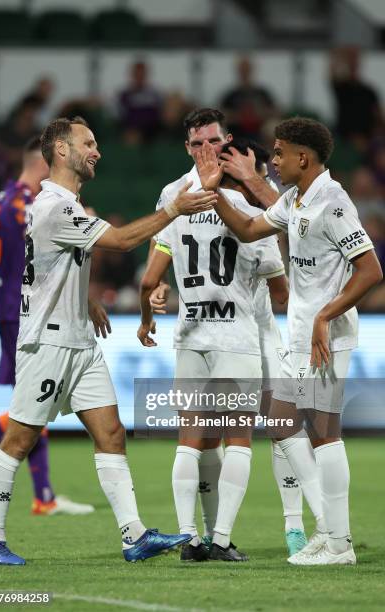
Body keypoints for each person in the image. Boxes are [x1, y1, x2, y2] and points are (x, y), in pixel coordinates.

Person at [0, 115, 217, 566]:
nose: (97, 151)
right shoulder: (54, 206)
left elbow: (52, 265)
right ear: (62, 151)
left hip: (80, 342)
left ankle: (134, 535)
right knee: (19, 439)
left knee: (110, 433)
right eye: (88, 143)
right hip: (46, 345)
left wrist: (83, 298)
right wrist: (173, 211)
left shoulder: (65, 205)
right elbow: (124, 241)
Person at [195, 117, 383, 565]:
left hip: (326, 338)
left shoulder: (333, 203)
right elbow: (249, 228)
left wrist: (325, 314)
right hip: (303, 335)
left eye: (279, 153)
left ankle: (339, 543)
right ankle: (329, 528)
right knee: (280, 422)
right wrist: (212, 192)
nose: (273, 161)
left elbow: (372, 270)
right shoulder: (298, 200)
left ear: (304, 157)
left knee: (323, 435)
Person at [145, 109, 312, 557]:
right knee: (242, 437)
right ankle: (218, 540)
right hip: (237, 335)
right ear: (189, 147)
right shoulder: (244, 205)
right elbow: (280, 291)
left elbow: (153, 266)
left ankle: (188, 537)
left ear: (226, 141)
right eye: (198, 143)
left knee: (192, 440)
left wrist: (155, 292)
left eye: (211, 142)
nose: (205, 150)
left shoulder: (171, 194)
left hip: (190, 332)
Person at [0, 136, 94, 516]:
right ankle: (40, 493)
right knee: (28, 407)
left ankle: (43, 495)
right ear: (43, 163)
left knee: (33, 404)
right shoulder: (36, 206)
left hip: (9, 311)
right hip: (34, 311)